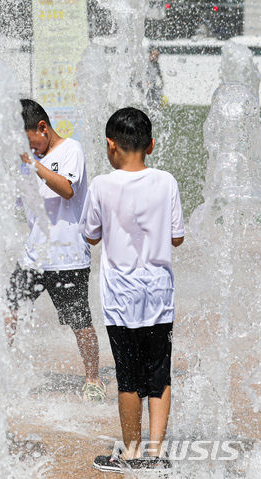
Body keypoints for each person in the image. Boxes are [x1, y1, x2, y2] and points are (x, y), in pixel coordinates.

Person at [83, 107, 184, 473]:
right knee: (159, 374)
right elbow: (177, 237)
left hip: (120, 299)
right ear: (151, 145)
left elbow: (91, 235)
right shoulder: (167, 181)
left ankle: (130, 453)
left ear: (111, 146)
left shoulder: (101, 185)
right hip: (159, 296)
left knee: (127, 377)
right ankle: (156, 453)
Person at [6, 99, 106, 402]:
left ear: (42, 128)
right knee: (8, 313)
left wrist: (34, 164)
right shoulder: (27, 163)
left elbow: (67, 189)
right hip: (33, 257)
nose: (29, 148)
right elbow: (9, 205)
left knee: (80, 323)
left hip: (68, 257)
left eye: (29, 141)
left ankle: (93, 379)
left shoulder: (70, 150)